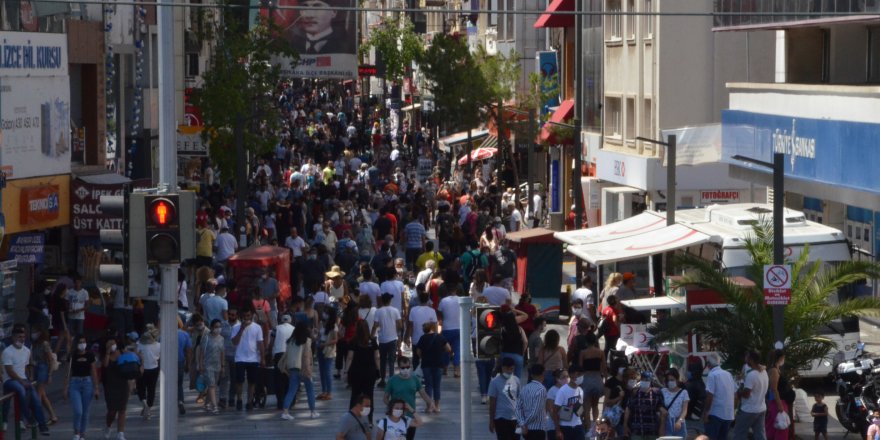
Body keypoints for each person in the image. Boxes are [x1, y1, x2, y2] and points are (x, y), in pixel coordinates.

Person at [2, 327, 50, 436]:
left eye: (23, 337)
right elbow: (10, 371)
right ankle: (28, 418)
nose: (22, 339)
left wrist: (29, 378)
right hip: (10, 380)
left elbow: (26, 366)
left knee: (36, 399)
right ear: (13, 337)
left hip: (23, 379)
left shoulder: (27, 351)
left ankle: (43, 426)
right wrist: (22, 381)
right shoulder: (7, 352)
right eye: (19, 337)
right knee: (21, 390)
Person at [384, 356, 436, 439]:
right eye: (403, 367)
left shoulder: (415, 379)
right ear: (399, 367)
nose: (405, 369)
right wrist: (392, 407)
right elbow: (385, 398)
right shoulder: (392, 380)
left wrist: (430, 402)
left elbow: (423, 393)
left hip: (411, 416)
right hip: (396, 417)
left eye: (408, 367)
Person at [288, 0, 357, 55]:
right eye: (304, 7)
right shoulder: (291, 44)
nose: (309, 15)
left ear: (334, 12)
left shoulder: (345, 45)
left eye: (317, 7)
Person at [281, 322, 319, 420]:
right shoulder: (306, 341)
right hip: (304, 368)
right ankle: (313, 411)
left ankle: (285, 411)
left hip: (293, 368)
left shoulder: (291, 341)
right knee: (310, 390)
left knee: (291, 390)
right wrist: (308, 371)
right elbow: (306, 357)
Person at [64, 335, 99, 440]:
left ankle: (82, 433)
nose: (82, 344)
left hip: (87, 383)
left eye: (84, 342)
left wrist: (96, 387)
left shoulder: (90, 355)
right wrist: (65, 388)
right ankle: (76, 432)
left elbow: (93, 371)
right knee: (78, 410)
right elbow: (67, 373)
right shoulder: (72, 356)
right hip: (75, 383)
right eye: (80, 342)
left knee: (85, 410)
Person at [346, 321, 380, 424]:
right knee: (369, 395)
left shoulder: (354, 341)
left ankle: (352, 418)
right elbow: (377, 357)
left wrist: (345, 371)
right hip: (370, 372)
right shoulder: (372, 341)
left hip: (356, 371)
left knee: (355, 395)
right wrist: (379, 370)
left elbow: (350, 357)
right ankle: (369, 419)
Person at [232, 309, 265, 411]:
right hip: (240, 358)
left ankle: (249, 401)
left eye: (248, 315)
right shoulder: (235, 327)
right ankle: (239, 399)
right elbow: (234, 342)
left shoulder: (257, 327)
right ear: (242, 316)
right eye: (245, 315)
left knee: (252, 382)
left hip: (253, 358)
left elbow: (260, 343)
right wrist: (241, 329)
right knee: (239, 381)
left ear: (251, 316)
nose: (247, 317)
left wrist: (263, 358)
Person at [732, 350, 769, 440]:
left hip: (748, 410)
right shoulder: (764, 372)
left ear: (751, 359)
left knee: (739, 433)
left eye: (747, 357)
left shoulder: (752, 375)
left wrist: (738, 392)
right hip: (761, 408)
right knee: (760, 434)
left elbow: (746, 394)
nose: (745, 359)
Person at [414, 322, 450, 412]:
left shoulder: (423, 338)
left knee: (428, 386)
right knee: (437, 386)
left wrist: (423, 356)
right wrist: (440, 352)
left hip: (426, 364)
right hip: (438, 364)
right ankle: (437, 406)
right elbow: (448, 348)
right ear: (433, 328)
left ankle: (429, 406)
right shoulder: (440, 337)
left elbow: (418, 351)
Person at [702, 352, 736, 440]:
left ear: (708, 365)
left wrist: (706, 412)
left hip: (716, 414)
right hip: (728, 414)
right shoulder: (728, 374)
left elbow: (710, 396)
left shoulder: (712, 375)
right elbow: (735, 393)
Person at [102, 337, 130, 440]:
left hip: (122, 384)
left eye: (114, 344)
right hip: (110, 386)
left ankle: (120, 433)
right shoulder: (106, 356)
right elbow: (105, 365)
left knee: (122, 409)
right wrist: (108, 352)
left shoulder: (121, 353)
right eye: (110, 344)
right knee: (112, 410)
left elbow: (128, 364)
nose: (113, 346)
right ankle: (108, 426)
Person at [372, 293, 402, 386]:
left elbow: (375, 325)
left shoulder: (378, 311)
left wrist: (371, 336)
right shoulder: (395, 311)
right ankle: (392, 379)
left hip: (382, 339)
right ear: (390, 300)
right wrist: (399, 335)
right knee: (392, 361)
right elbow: (400, 325)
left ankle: (382, 380)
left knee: (383, 360)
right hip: (393, 338)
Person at [30, 327, 58, 425]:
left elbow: (50, 360)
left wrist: (50, 375)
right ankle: (53, 416)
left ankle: (36, 418)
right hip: (37, 368)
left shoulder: (44, 344)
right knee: (42, 395)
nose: (33, 333)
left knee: (38, 394)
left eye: (35, 331)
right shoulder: (34, 344)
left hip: (43, 368)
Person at [623, 371, 662, 440]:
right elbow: (628, 409)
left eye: (647, 380)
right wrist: (625, 425)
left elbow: (660, 410)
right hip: (637, 431)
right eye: (643, 379)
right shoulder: (634, 393)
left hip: (652, 431)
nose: (645, 381)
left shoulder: (656, 393)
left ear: (650, 381)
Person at [489, 356, 521, 440]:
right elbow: (492, 402)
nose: (509, 371)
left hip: (515, 418)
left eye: (512, 369)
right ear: (502, 368)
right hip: (501, 418)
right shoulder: (495, 382)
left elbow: (519, 400)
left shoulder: (516, 380)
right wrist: (491, 420)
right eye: (507, 369)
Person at [577, 332, 606, 422]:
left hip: (586, 379)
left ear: (586, 341)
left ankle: (588, 427)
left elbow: (580, 368)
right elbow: (604, 368)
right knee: (595, 405)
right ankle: (595, 427)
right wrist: (605, 380)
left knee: (586, 405)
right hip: (597, 379)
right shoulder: (600, 352)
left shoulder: (583, 353)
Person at [552, 365, 585, 440]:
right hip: (565, 427)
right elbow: (555, 411)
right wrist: (558, 430)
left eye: (582, 375)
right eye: (579, 375)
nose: (581, 377)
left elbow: (581, 410)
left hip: (578, 425)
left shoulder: (580, 390)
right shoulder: (562, 391)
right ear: (572, 375)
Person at [765, 349, 792, 440]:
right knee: (781, 428)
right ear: (780, 358)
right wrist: (779, 405)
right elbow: (774, 389)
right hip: (778, 403)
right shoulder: (774, 371)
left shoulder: (776, 369)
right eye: (783, 358)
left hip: (779, 402)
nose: (784, 359)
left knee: (776, 427)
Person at [200, 319, 226, 414]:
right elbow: (202, 353)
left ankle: (207, 403)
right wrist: (201, 365)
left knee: (213, 385)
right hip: (208, 365)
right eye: (216, 327)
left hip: (217, 365)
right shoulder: (206, 338)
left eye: (219, 326)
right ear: (211, 327)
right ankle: (215, 406)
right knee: (211, 385)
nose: (218, 329)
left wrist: (223, 366)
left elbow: (222, 352)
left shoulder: (221, 339)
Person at [270, 314, 295, 410]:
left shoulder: (276, 328)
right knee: (289, 378)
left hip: (279, 354)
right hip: (290, 354)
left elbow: (271, 342)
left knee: (279, 379)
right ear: (290, 321)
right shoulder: (294, 329)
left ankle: (280, 402)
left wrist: (269, 351)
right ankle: (290, 402)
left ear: (281, 320)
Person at [516, 364, 547, 440]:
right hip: (537, 428)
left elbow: (518, 408)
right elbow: (535, 411)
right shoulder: (541, 389)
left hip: (526, 429)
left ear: (532, 375)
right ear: (543, 374)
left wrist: (522, 423)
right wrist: (525, 423)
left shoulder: (525, 388)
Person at [136, 329, 161, 419]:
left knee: (141, 388)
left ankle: (145, 404)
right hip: (154, 369)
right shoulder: (158, 345)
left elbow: (136, 355)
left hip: (142, 369)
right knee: (151, 389)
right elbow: (160, 356)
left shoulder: (139, 345)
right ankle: (148, 409)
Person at [437, 290, 461, 378]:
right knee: (457, 349)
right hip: (458, 328)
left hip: (446, 328)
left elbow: (439, 312)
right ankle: (457, 370)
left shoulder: (443, 301)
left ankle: (445, 369)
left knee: (445, 349)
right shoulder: (460, 300)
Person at [660, 368, 689, 438]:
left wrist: (680, 421)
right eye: (668, 380)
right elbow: (658, 404)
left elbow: (684, 410)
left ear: (677, 380)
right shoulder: (663, 391)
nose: (670, 382)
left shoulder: (684, 393)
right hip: (667, 422)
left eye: (672, 380)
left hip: (679, 422)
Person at [317, 307, 339, 401]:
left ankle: (329, 392)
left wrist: (325, 344)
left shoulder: (333, 326)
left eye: (326, 313)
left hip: (328, 349)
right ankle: (324, 391)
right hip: (320, 347)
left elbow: (335, 339)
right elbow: (319, 334)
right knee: (321, 371)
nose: (324, 314)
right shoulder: (322, 323)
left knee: (327, 371)